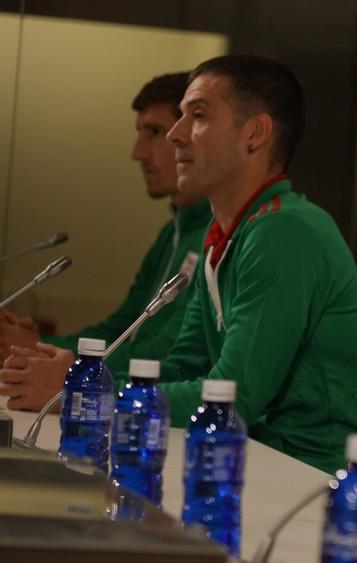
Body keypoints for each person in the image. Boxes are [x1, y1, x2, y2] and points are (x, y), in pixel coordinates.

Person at [158, 54, 357, 473]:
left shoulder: (283, 231)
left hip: (312, 474)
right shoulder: (224, 236)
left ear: (255, 134)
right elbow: (184, 366)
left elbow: (233, 397)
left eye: (197, 115)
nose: (175, 135)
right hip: (255, 456)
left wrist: (96, 392)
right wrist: (84, 375)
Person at [0, 72, 210, 410]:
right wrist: (40, 348)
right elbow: (122, 328)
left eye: (153, 132)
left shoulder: (213, 233)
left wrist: (49, 353)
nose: (137, 153)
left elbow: (168, 352)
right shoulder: (172, 233)